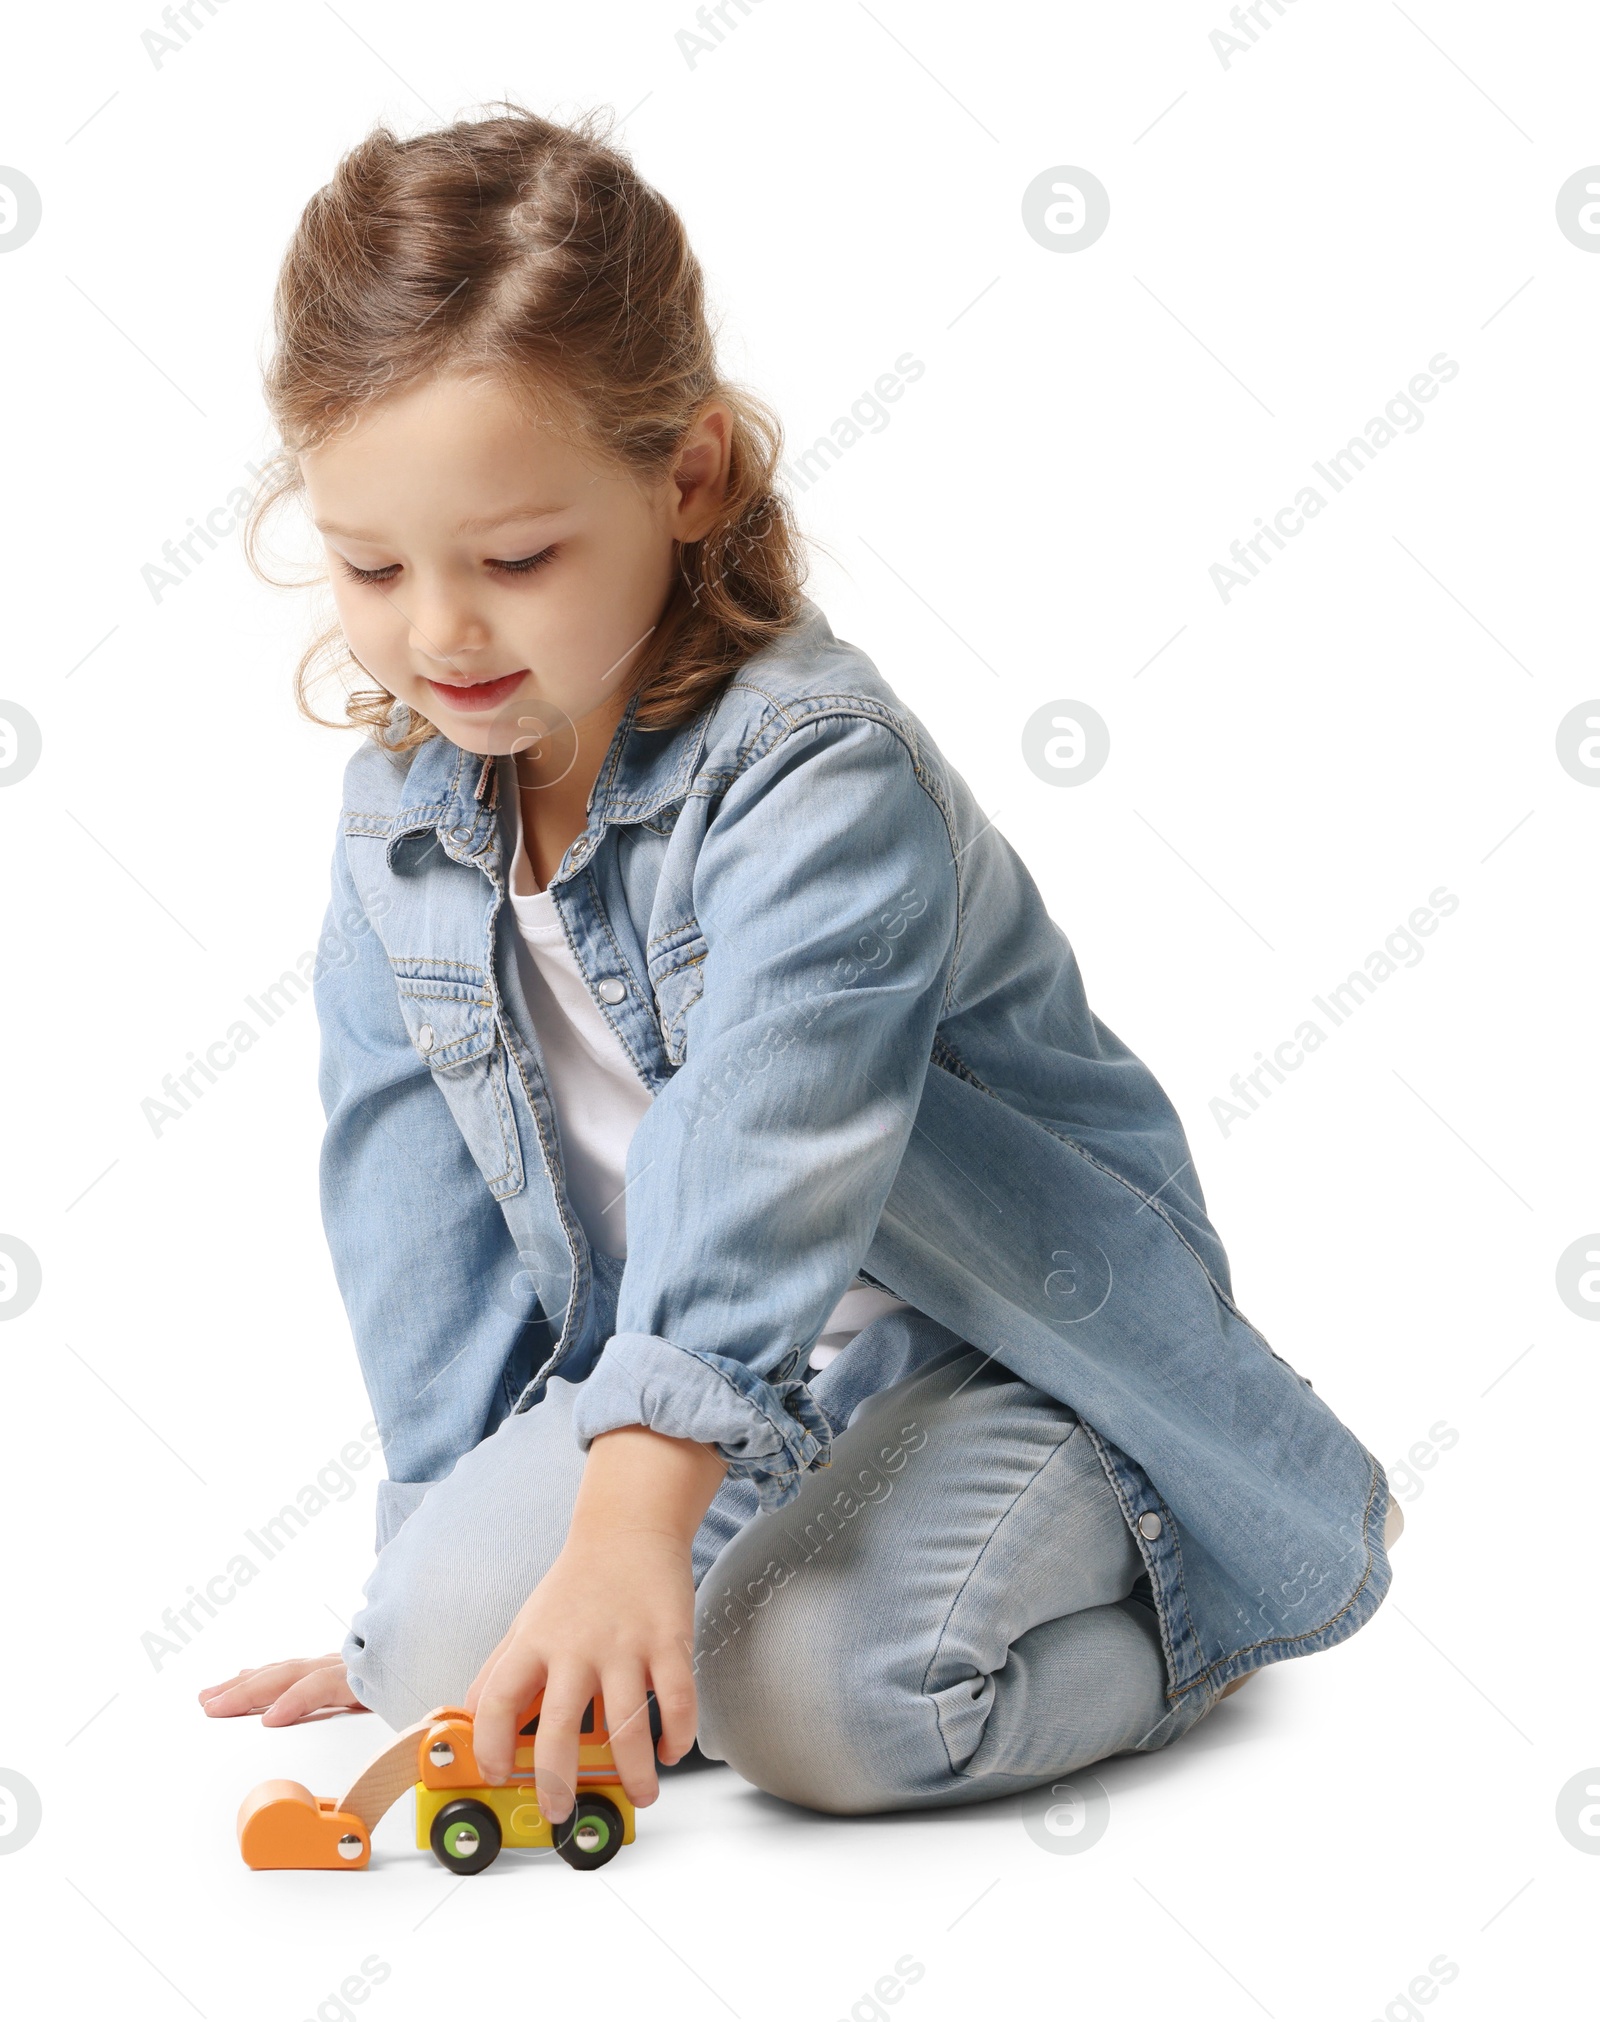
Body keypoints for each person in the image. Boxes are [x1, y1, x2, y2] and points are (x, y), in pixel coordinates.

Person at [200, 103, 1396, 1822]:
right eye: (374, 565)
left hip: (996, 1338)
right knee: (450, 1650)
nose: (440, 631)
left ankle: (1194, 1577)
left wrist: (627, 1522)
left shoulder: (816, 773)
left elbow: (768, 1137)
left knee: (830, 1715)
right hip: (714, 1392)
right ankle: (709, 1552)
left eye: (518, 559)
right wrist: (426, 1613)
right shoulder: (403, 816)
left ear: (688, 478)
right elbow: (414, 1211)